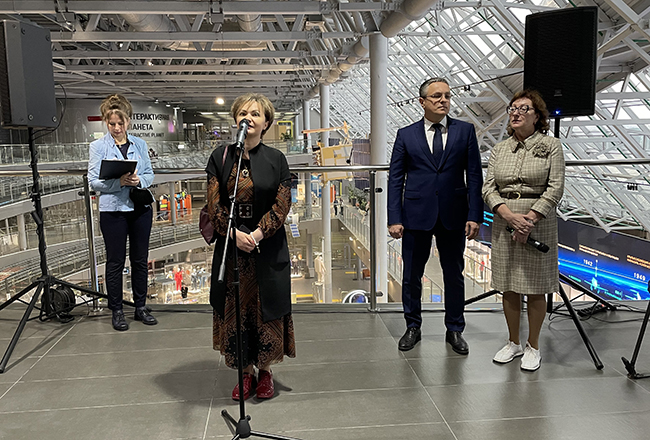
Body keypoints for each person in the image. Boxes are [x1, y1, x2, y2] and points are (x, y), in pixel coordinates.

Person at [206, 93, 295, 401]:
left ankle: (266, 371)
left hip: (266, 247)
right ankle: (245, 373)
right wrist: (233, 234)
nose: (248, 117)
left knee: (266, 309)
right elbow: (214, 204)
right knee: (238, 311)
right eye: (243, 112)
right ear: (235, 119)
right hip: (232, 248)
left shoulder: (277, 159)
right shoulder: (220, 157)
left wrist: (256, 235)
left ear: (266, 123)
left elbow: (282, 205)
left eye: (256, 113)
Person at [387, 77, 483, 354]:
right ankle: (412, 326)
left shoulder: (465, 131)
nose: (443, 101)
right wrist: (395, 218)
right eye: (437, 96)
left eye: (447, 96)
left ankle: (454, 329)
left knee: (454, 274)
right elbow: (396, 179)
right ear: (422, 102)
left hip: (454, 213)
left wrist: (475, 215)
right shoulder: (406, 135)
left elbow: (474, 176)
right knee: (411, 275)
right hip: (416, 214)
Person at [482, 89, 565, 371]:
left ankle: (533, 345)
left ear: (537, 116)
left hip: (538, 222)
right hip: (504, 220)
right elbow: (488, 188)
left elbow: (555, 187)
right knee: (508, 284)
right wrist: (508, 216)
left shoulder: (551, 146)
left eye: (523, 109)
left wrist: (528, 220)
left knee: (536, 286)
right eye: (513, 108)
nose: (516, 113)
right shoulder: (500, 149)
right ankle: (513, 342)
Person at [88, 94, 157, 331]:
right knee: (115, 261)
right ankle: (116, 310)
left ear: (128, 121)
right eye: (112, 124)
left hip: (140, 209)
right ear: (106, 122)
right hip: (113, 211)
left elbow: (149, 174)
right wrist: (119, 183)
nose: (117, 128)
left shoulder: (140, 144)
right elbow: (93, 181)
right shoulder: (98, 147)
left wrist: (139, 181)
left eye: (120, 123)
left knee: (140, 260)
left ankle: (140, 307)